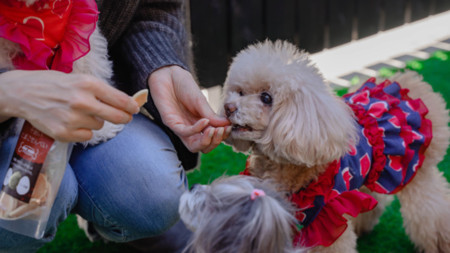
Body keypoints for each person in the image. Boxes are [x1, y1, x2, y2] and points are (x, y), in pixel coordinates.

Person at [0, 0, 230, 252]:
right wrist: (7, 93)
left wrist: (161, 65)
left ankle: (108, 207)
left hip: (94, 89)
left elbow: (155, 7)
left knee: (155, 192)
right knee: (38, 198)